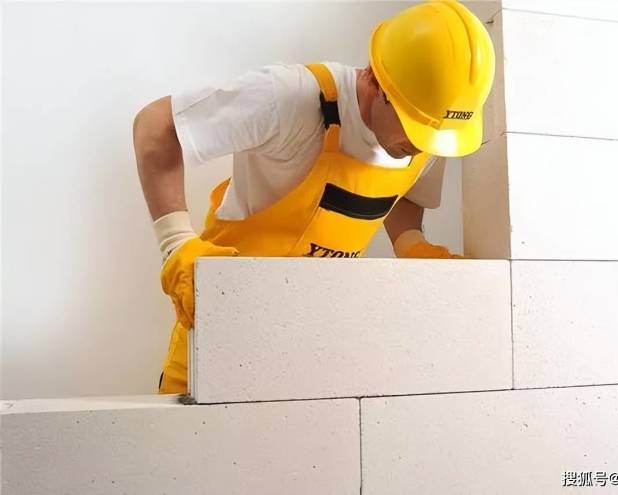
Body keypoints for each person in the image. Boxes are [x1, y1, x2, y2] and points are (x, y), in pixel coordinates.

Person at [132, 0, 495, 395]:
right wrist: (177, 244)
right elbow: (155, 125)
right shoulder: (290, 98)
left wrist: (410, 244)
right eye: (414, 128)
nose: (422, 147)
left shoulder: (431, 131)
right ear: (376, 81)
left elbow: (404, 188)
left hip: (314, 339)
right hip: (221, 330)